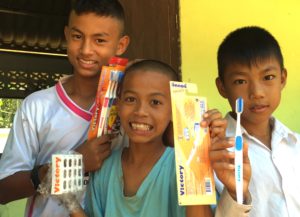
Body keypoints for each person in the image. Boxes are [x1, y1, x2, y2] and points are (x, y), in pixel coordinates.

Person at [66, 59, 252, 217]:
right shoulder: (105, 169)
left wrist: (196, 159)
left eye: (155, 102)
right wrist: (69, 201)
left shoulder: (180, 165)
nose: (140, 112)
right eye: (131, 99)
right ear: (118, 103)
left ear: (173, 110)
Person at [0, 0, 130, 216]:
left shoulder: (131, 107)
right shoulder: (37, 106)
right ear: (67, 35)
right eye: (78, 37)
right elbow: (3, 190)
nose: (86, 50)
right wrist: (71, 164)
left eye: (99, 40)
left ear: (120, 45)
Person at [214, 26, 300, 216]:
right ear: (222, 87)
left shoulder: (296, 145)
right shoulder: (217, 152)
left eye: (268, 77)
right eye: (240, 81)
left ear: (282, 78)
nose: (257, 93)